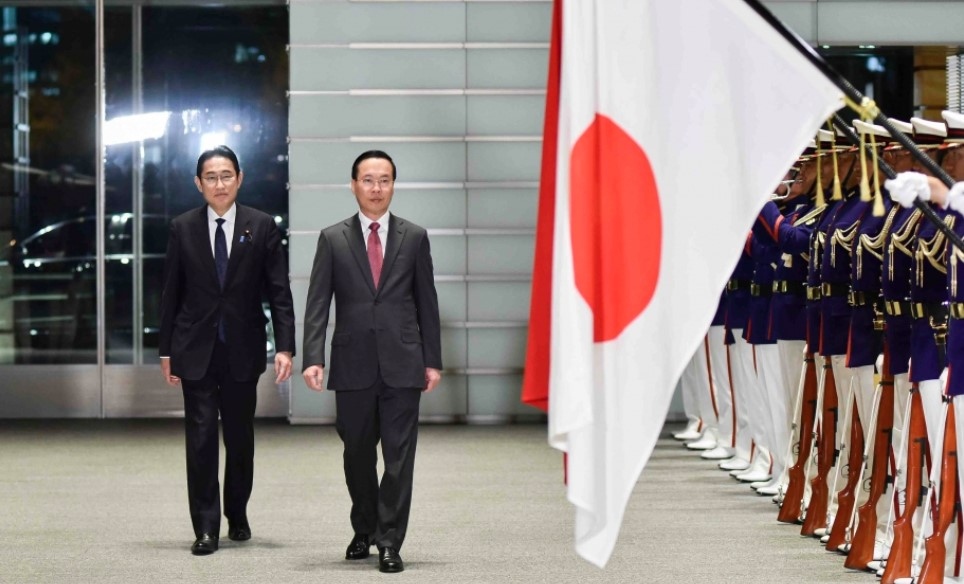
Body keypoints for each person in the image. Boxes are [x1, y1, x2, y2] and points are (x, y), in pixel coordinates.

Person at [301, 150, 442, 574]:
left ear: (393, 185)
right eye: (368, 180)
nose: (376, 188)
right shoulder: (332, 238)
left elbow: (427, 302)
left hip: (404, 362)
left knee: (400, 457)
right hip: (353, 362)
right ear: (353, 184)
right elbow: (317, 303)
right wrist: (313, 357)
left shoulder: (414, 237)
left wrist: (431, 360)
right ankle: (363, 525)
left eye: (384, 180)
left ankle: (389, 541)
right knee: (357, 454)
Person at [158, 145, 296, 556]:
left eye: (226, 175)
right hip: (194, 347)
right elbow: (171, 293)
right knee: (199, 438)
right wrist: (166, 351)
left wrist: (285, 346)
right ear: (198, 184)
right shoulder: (182, 228)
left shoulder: (262, 225)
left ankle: (237, 513)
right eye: (211, 177)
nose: (219, 184)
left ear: (240, 178)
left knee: (239, 437)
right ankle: (205, 526)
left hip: (242, 347)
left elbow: (279, 292)